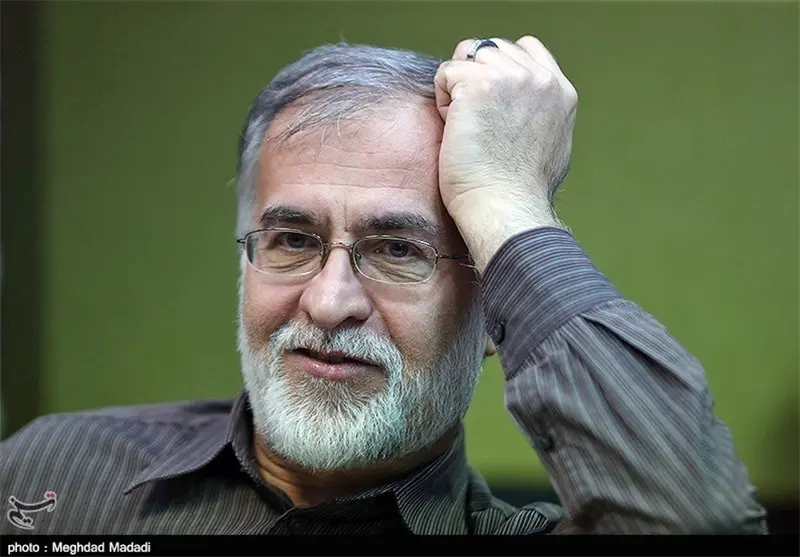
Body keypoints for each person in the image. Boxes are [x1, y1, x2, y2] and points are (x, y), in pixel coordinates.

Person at [0, 36, 767, 536]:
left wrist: (505, 203)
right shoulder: (54, 472)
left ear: (494, 313)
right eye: (292, 240)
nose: (329, 302)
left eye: (399, 249)